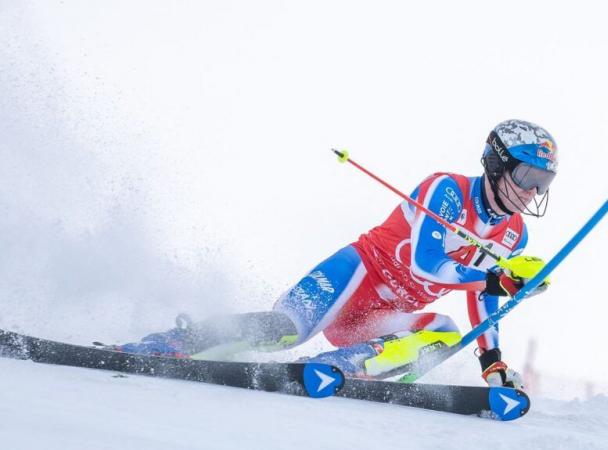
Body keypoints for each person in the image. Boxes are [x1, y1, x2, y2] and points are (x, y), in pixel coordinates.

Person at [117, 119, 558, 389]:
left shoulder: (515, 236)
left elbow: (483, 295)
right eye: (526, 175)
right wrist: (498, 279)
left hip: (382, 318)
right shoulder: (447, 191)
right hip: (353, 278)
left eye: (543, 181)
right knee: (283, 330)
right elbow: (427, 264)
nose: (532, 191)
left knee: (444, 332)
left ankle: (333, 369)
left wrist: (491, 360)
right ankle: (168, 343)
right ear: (497, 164)